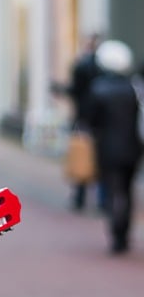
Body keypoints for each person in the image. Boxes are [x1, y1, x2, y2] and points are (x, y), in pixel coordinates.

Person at [87, 40, 142, 254]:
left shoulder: (98, 89)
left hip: (108, 148)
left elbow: (91, 120)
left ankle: (117, 233)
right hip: (132, 147)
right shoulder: (133, 88)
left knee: (112, 190)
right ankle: (124, 232)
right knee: (127, 190)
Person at [63, 34, 105, 211]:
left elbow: (74, 90)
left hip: (84, 119)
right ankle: (103, 199)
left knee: (82, 154)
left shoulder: (81, 66)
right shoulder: (104, 68)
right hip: (102, 121)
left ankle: (80, 197)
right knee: (100, 158)